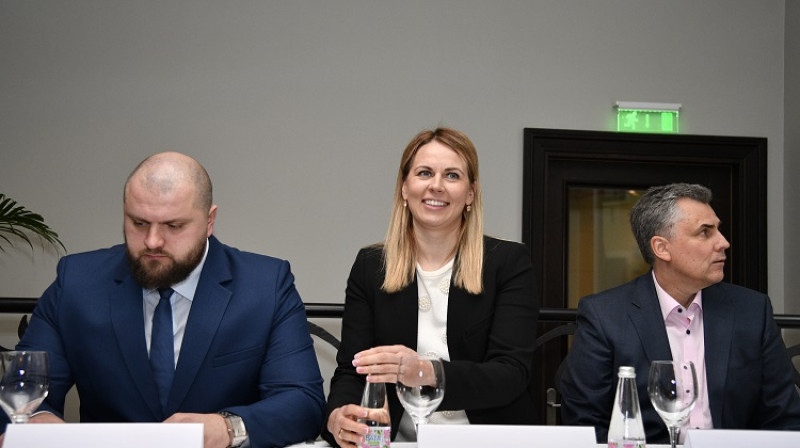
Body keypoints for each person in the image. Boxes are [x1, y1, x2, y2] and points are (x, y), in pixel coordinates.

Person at [2, 152, 325, 448]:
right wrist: (34, 420)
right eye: (139, 223)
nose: (153, 241)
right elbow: (25, 388)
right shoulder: (78, 281)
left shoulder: (265, 285)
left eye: (174, 226)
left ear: (209, 221)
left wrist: (228, 428)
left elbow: (301, 402)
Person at [322, 127, 540, 447]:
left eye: (452, 175)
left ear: (470, 193)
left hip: (489, 439)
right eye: (424, 173)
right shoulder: (371, 265)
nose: (436, 185)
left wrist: (425, 372)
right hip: (399, 441)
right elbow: (352, 371)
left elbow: (510, 374)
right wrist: (338, 416)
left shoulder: (508, 262)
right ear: (404, 188)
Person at [559, 182, 800, 443]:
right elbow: (585, 423)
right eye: (705, 232)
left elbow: (784, 417)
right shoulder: (605, 316)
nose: (724, 242)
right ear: (662, 248)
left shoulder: (751, 311)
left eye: (718, 229)